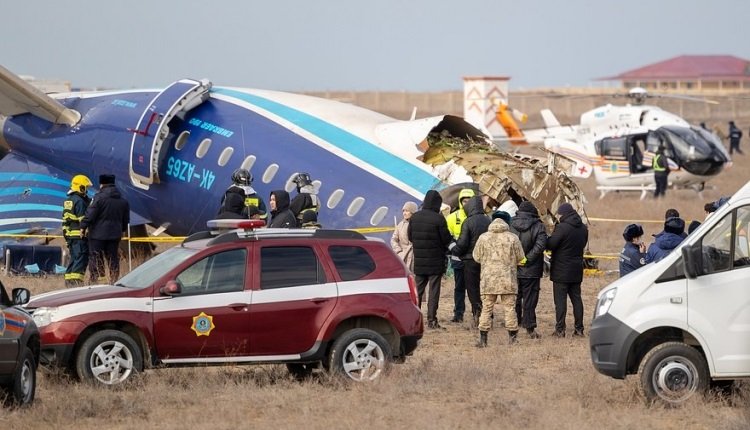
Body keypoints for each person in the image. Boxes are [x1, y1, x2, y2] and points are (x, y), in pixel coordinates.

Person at [472, 218, 525, 347]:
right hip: (508, 279)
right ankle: (512, 339)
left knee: (487, 308)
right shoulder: (512, 238)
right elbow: (521, 257)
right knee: (510, 309)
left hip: (488, 279)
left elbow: (476, 257)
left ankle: (483, 340)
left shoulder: (483, 238)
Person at [407, 190, 452, 329]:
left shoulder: (415, 217)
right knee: (434, 291)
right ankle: (432, 320)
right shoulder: (438, 219)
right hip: (435, 262)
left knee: (418, 292)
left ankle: (415, 320)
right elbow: (446, 239)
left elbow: (410, 237)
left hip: (420, 262)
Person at [546, 202, 588, 338]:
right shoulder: (583, 228)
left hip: (561, 270)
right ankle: (579, 329)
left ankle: (560, 330)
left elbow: (551, 245)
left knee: (560, 301)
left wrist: (548, 238)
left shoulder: (562, 228)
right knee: (577, 299)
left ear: (563, 214)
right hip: (576, 269)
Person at [81, 174, 130, 284]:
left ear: (101, 184)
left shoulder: (98, 198)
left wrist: (83, 226)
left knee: (96, 257)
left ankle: (96, 280)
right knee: (113, 258)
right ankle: (114, 280)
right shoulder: (123, 200)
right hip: (115, 235)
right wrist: (121, 230)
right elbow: (126, 219)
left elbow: (90, 214)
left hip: (97, 235)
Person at [450, 196, 491, 328]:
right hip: (487, 261)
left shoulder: (468, 222)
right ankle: (488, 315)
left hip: (470, 261)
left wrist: (454, 251)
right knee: (485, 289)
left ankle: (477, 314)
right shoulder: (488, 220)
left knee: (472, 289)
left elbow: (462, 244)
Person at [510, 201, 547, 339]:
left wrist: (516, 259)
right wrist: (527, 259)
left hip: (514, 268)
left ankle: (515, 323)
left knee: (515, 297)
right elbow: (541, 245)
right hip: (532, 270)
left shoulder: (511, 225)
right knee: (530, 299)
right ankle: (530, 328)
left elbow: (507, 243)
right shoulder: (539, 226)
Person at [445, 188, 475, 323]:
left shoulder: (477, 218)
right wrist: (454, 249)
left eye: (469, 201)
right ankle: (458, 313)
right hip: (457, 258)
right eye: (464, 201)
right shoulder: (452, 217)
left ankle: (477, 312)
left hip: (473, 259)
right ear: (460, 202)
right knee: (459, 288)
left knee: (474, 287)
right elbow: (447, 236)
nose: (466, 204)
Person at [62, 174, 93, 287]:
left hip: (70, 236)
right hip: (79, 237)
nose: (86, 190)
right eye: (85, 187)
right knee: (81, 259)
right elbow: (83, 220)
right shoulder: (79, 201)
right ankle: (75, 283)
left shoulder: (69, 200)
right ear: (80, 187)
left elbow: (64, 222)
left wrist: (66, 238)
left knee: (74, 259)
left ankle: (68, 282)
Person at [391, 201, 418, 272]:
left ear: (412, 212)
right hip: (403, 257)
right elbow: (394, 239)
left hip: (416, 258)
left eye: (407, 211)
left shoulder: (419, 224)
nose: (404, 213)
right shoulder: (400, 225)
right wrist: (398, 251)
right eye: (403, 211)